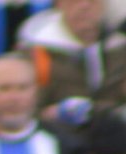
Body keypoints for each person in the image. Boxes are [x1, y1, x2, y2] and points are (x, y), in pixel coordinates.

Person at [23, 0, 126, 133]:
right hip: (61, 138)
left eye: (92, 1)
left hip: (115, 137)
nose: (84, 6)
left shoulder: (119, 48)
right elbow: (28, 108)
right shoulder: (36, 53)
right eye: (74, 1)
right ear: (59, 4)